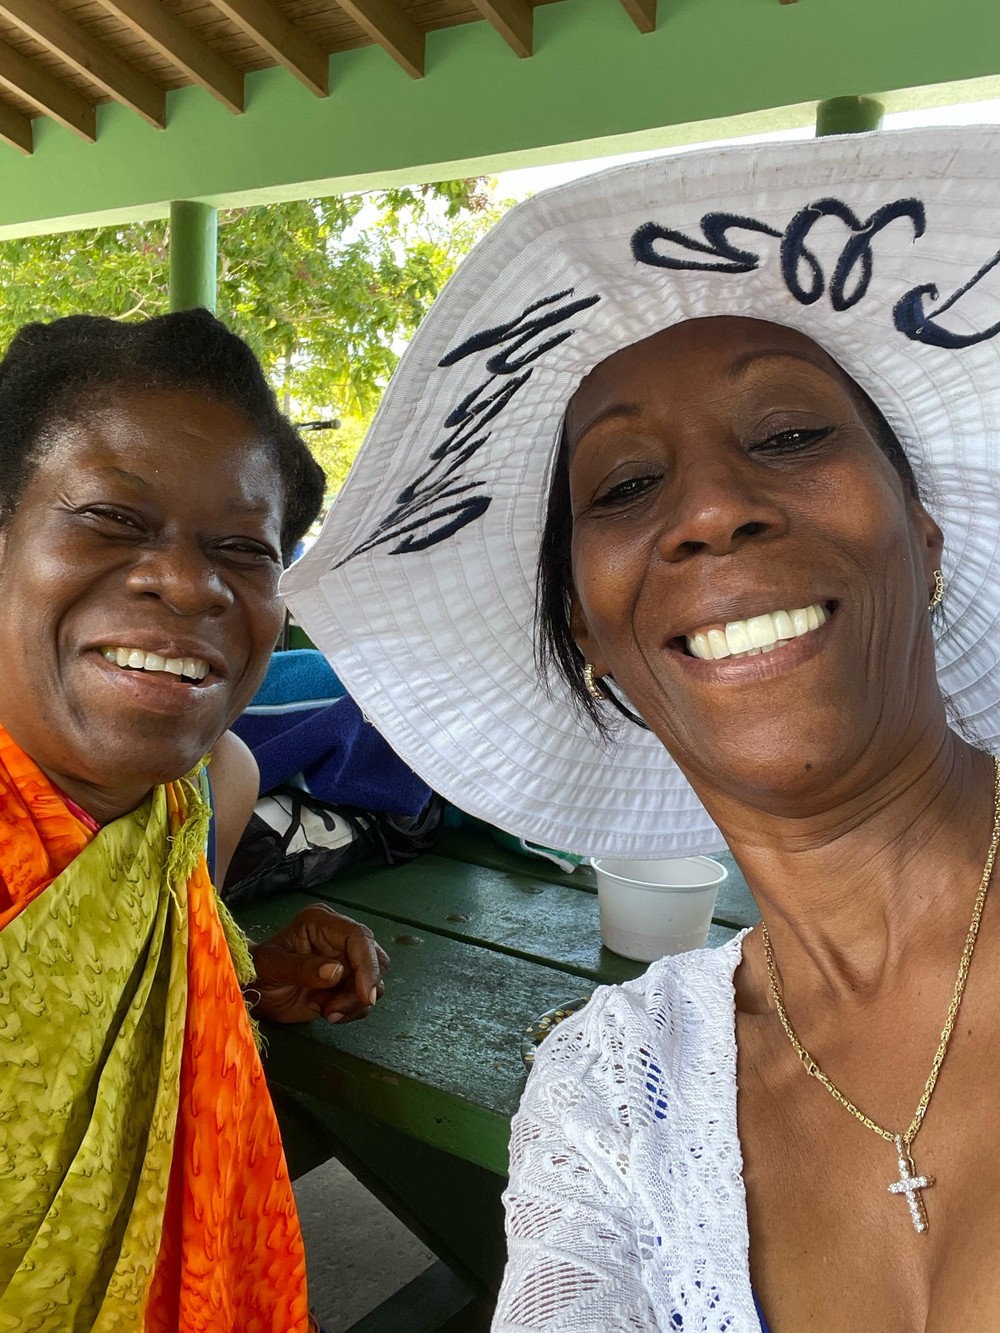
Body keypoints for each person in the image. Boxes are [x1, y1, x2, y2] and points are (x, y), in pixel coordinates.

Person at [281, 126, 1000, 1330]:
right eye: (623, 486)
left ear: (919, 538)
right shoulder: (611, 1098)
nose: (711, 509)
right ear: (591, 638)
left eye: (789, 435)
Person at [0, 309, 389, 1330]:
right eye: (110, 518)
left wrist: (244, 974)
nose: (185, 580)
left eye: (242, 548)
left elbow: (131, 1008)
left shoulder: (212, 787)